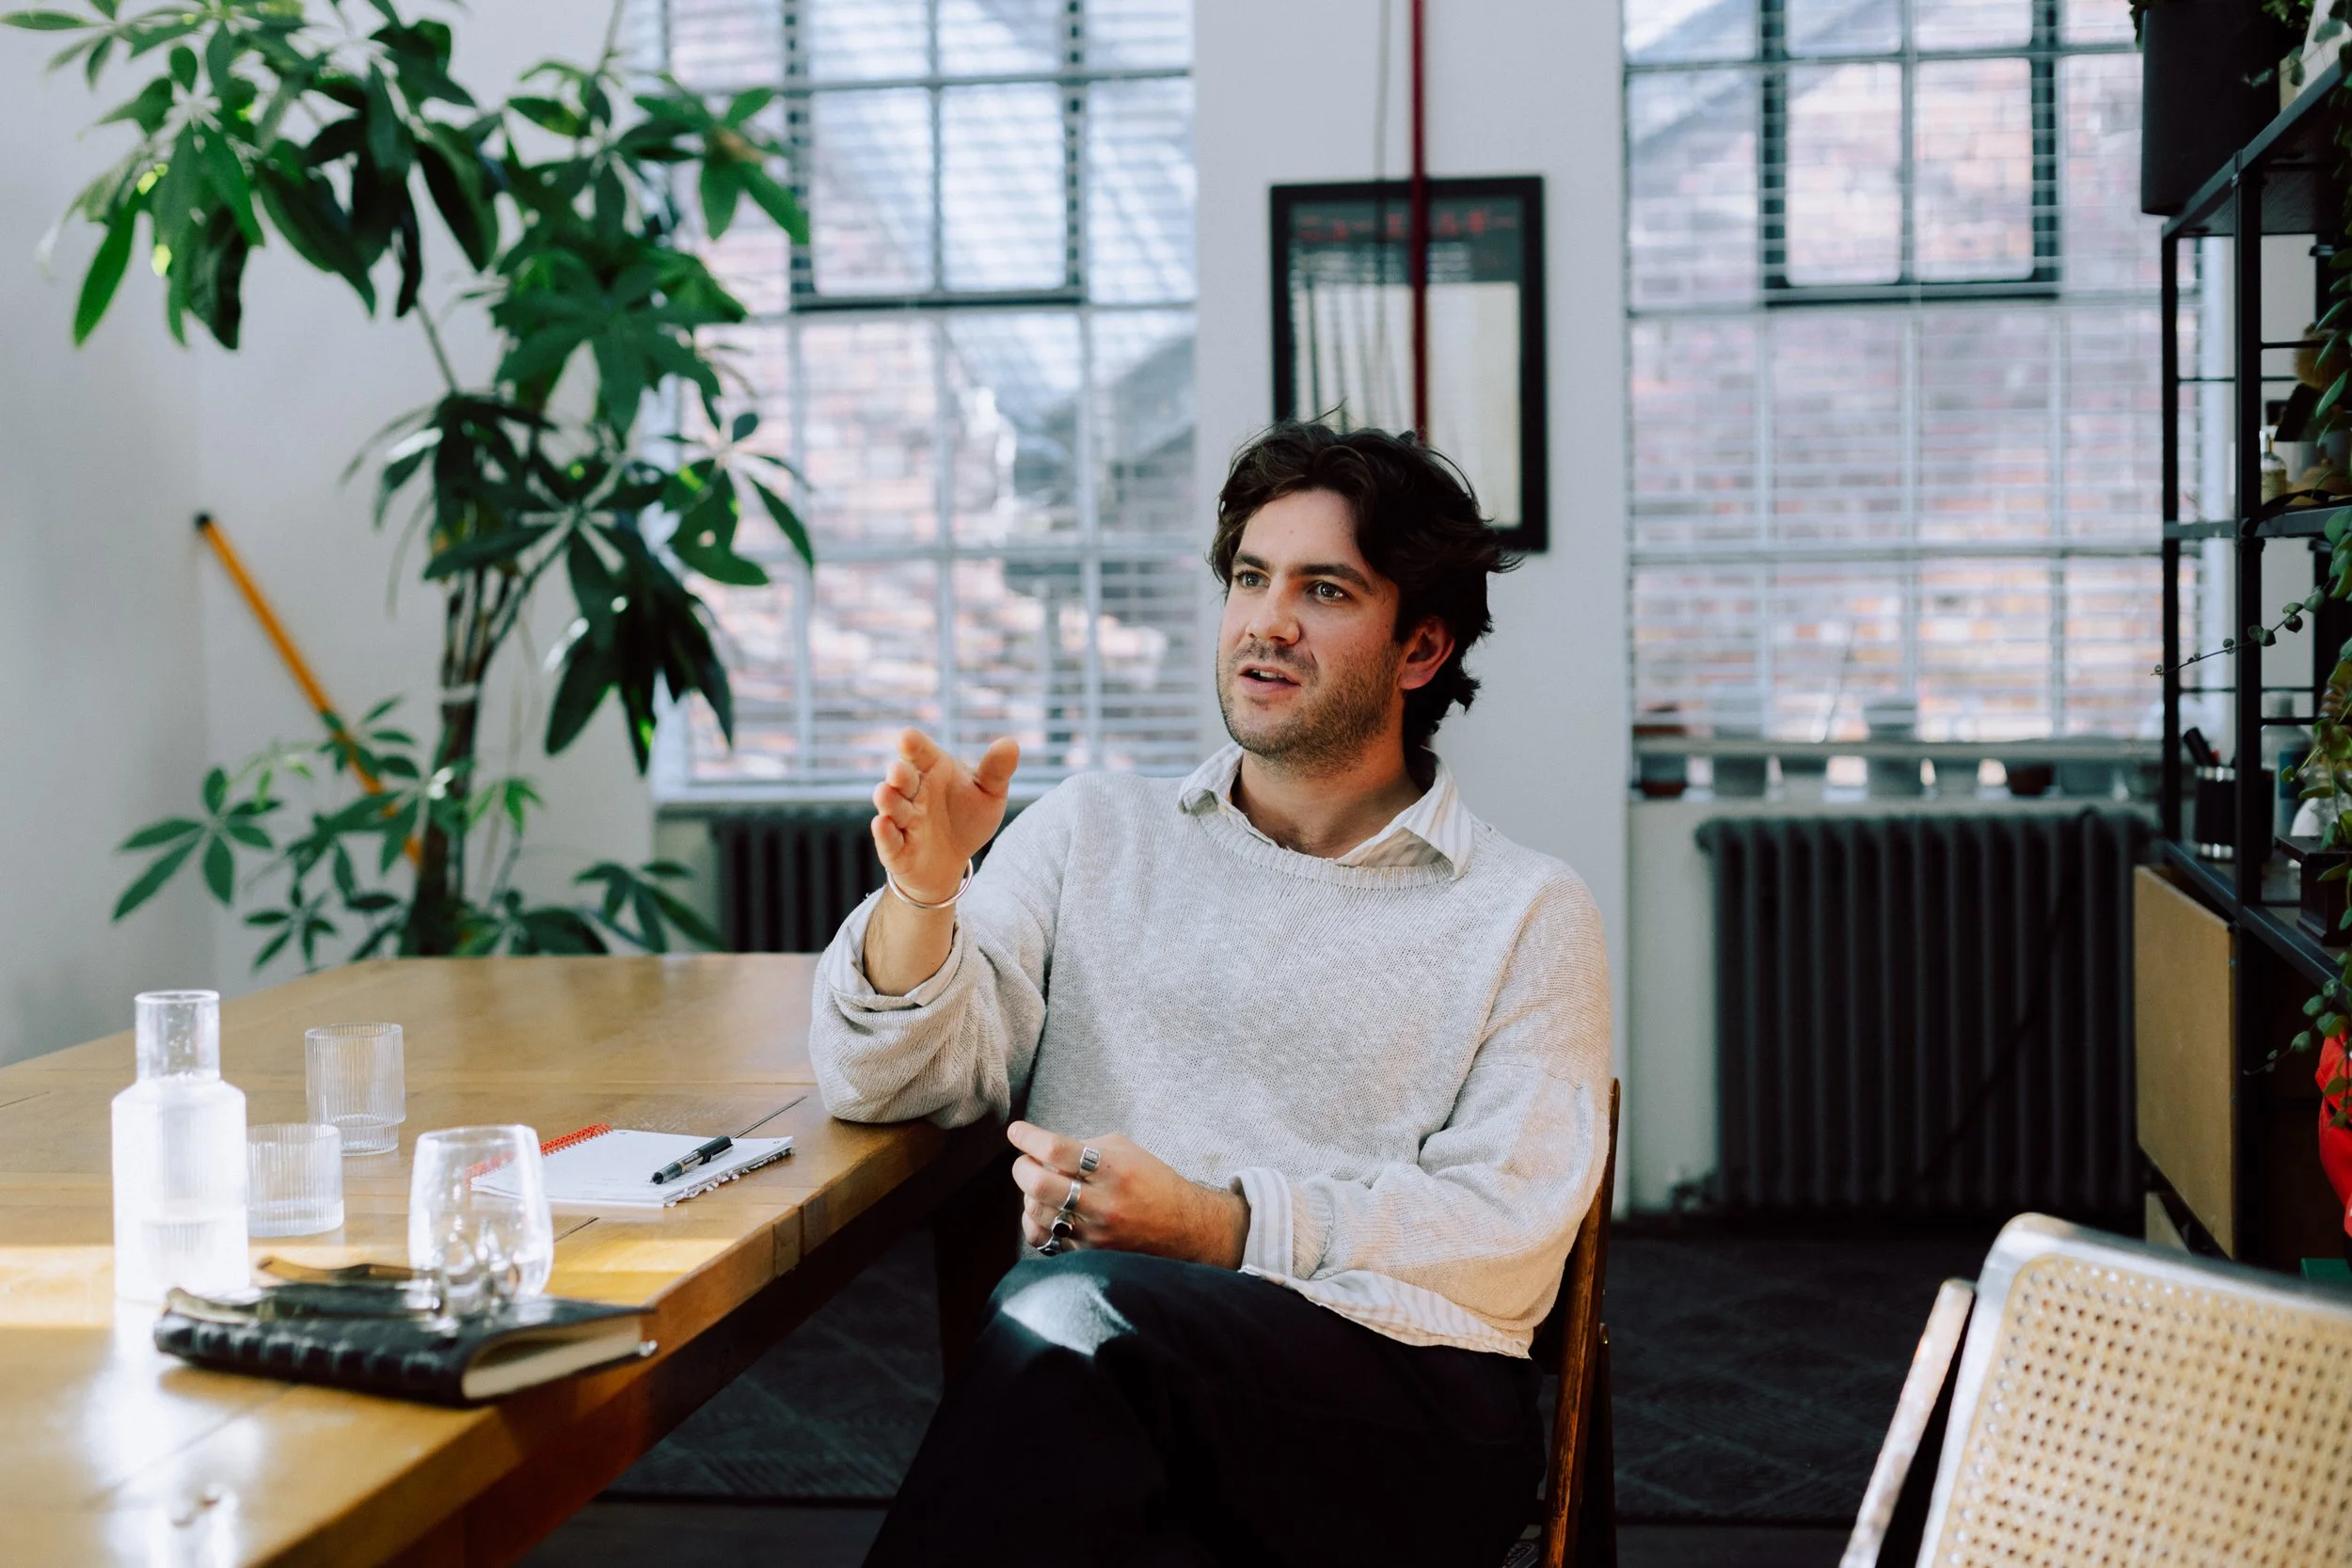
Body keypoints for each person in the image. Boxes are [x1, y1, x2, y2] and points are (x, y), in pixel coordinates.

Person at [808, 421, 1613, 1568]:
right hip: (1104, 1394)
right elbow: (881, 1080)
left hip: (1398, 1403)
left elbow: (1503, 1236)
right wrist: (922, 897)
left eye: (1324, 588)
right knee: (1092, 1434)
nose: (1265, 619)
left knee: (1070, 1324)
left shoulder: (1527, 910)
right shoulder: (1093, 831)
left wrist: (1216, 1225)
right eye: (1249, 577)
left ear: (1420, 647)